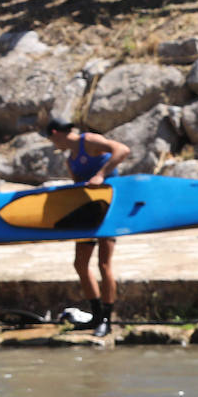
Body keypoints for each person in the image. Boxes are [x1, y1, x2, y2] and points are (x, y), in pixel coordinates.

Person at [46, 119, 131, 338]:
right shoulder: (70, 161)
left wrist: (101, 174)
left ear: (56, 133)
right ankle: (95, 315)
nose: (54, 145)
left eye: (51, 139)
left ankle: (106, 320)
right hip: (88, 214)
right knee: (80, 263)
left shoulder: (89, 141)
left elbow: (122, 150)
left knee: (104, 264)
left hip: (109, 208)